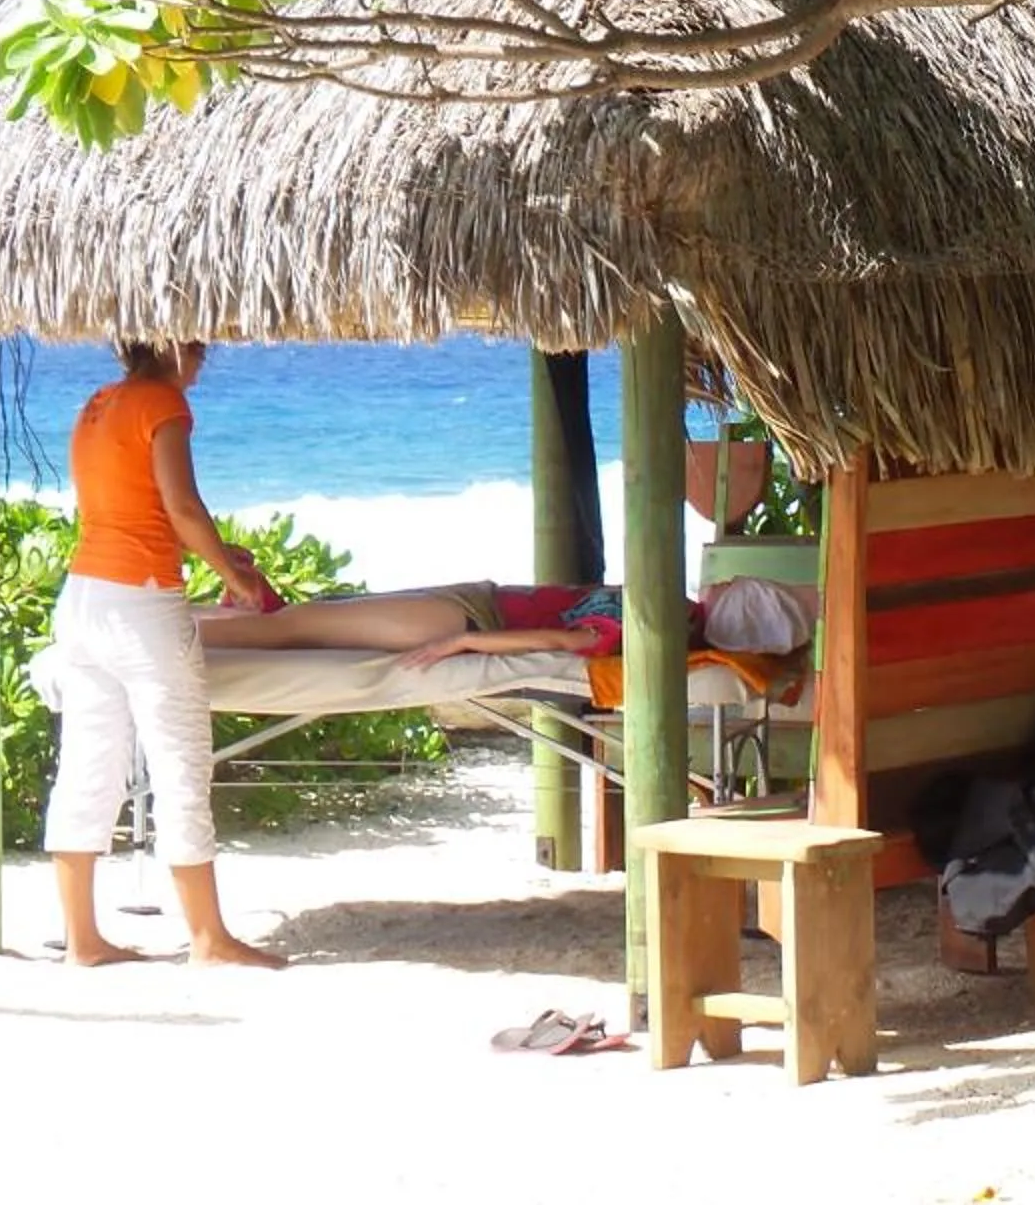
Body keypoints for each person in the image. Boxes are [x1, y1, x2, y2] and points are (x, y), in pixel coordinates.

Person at [40, 340, 285, 969]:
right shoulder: (162, 402)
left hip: (84, 598)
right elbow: (180, 506)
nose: (204, 357)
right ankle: (208, 939)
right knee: (181, 764)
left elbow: (134, 510)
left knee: (89, 767)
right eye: (198, 346)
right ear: (170, 345)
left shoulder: (99, 403)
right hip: (140, 605)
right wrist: (234, 578)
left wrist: (219, 554)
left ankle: (83, 942)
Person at [196, 575, 818, 672]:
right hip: (471, 597)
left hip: (467, 614)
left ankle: (178, 635)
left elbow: (558, 639)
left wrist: (462, 641)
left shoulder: (643, 630)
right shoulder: (662, 604)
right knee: (303, 620)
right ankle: (197, 621)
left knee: (294, 630)